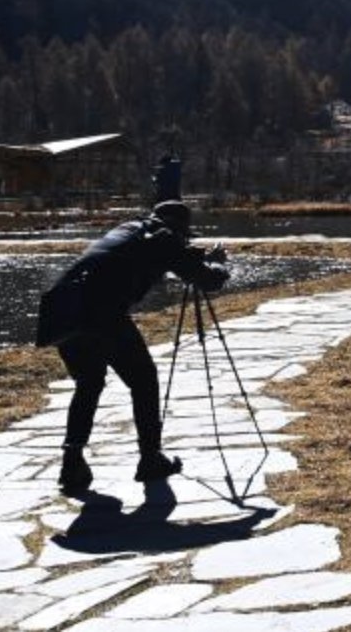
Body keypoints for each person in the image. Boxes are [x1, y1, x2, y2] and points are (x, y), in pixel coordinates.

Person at [35, 200, 229, 494]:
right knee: (144, 380)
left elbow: (153, 255)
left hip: (64, 311)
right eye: (186, 232)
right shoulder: (164, 238)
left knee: (88, 384)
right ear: (179, 226)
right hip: (101, 312)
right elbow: (206, 280)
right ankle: (149, 459)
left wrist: (192, 254)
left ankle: (72, 463)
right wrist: (217, 264)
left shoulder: (130, 228)